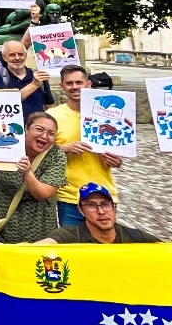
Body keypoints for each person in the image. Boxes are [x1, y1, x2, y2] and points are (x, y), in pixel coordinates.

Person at [0, 112, 66, 243]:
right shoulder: (4, 144)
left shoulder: (56, 155)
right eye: (39, 129)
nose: (44, 136)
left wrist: (28, 173)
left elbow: (44, 193)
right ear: (26, 129)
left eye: (51, 133)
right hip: (0, 223)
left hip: (39, 227)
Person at [47, 65, 123, 226]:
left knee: (104, 246)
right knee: (74, 247)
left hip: (104, 193)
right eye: (69, 83)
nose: (74, 87)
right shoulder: (52, 116)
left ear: (88, 84)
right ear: (62, 87)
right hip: (70, 195)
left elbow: (118, 151)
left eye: (78, 82)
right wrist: (65, 148)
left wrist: (117, 161)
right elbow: (41, 154)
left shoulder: (107, 114)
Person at [39, 184, 162, 245]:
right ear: (81, 211)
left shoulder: (134, 237)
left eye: (105, 204)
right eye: (91, 205)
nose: (101, 211)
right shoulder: (69, 236)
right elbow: (40, 248)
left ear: (114, 207)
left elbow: (168, 251)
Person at [0, 40, 54, 117]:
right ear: (4, 57)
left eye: (20, 54)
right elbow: (4, 103)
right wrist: (33, 85)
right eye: (12, 55)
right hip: (12, 127)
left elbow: (50, 106)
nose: (17, 58)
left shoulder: (38, 76)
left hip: (37, 127)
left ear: (26, 55)